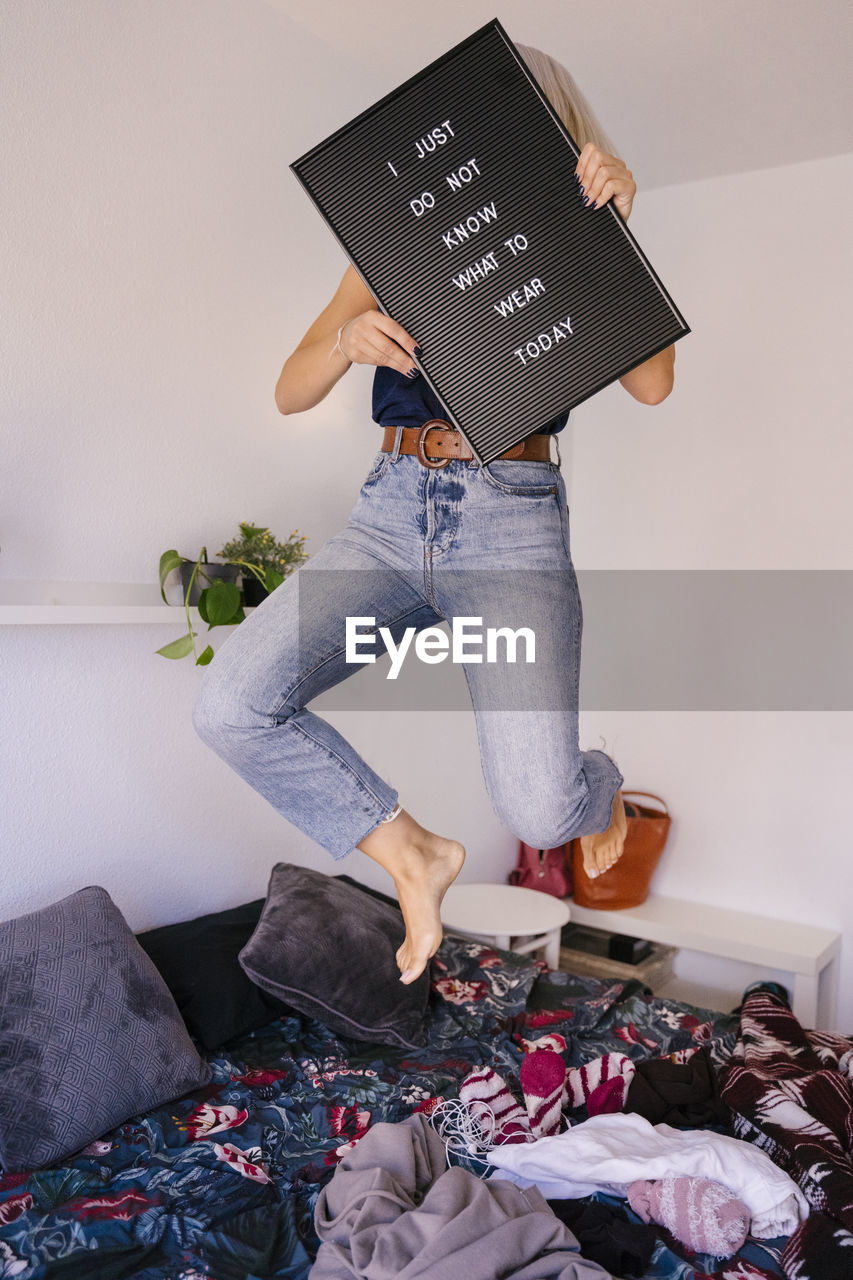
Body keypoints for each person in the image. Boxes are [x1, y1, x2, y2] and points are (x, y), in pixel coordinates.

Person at [192, 44, 675, 987]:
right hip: (388, 513)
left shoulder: (581, 228)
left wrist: (617, 228)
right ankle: (412, 853)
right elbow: (291, 390)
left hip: (513, 523)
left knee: (541, 812)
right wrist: (343, 340)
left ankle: (599, 789)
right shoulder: (397, 237)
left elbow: (653, 383)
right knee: (230, 704)